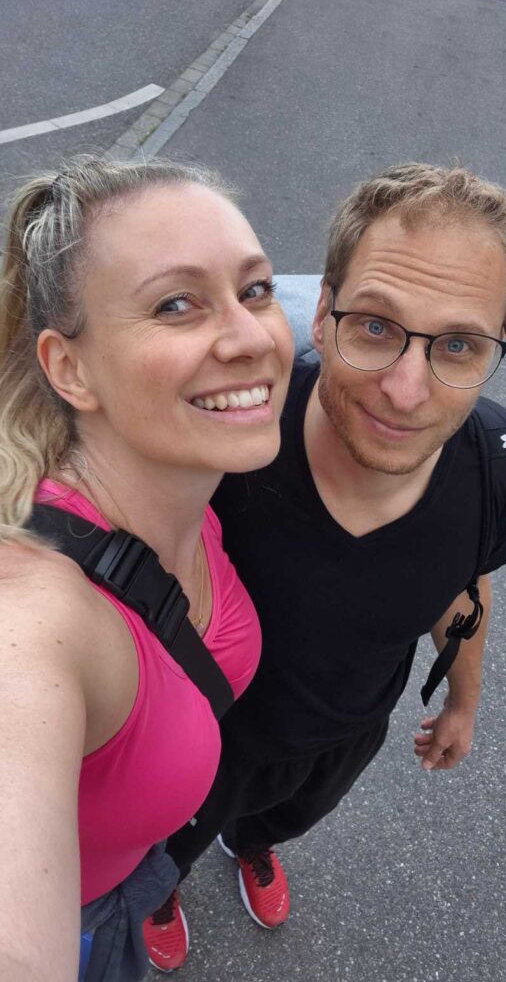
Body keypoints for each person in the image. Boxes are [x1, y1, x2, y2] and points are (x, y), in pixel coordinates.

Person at [145, 162, 506, 967]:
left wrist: (463, 703)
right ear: (323, 315)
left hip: (347, 731)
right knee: (160, 852)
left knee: (285, 817)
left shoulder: (503, 465)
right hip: (201, 737)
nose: (405, 389)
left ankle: (253, 844)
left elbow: (465, 583)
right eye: (376, 327)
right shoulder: (230, 437)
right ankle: (159, 892)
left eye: (458, 345)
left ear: (495, 347)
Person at [0, 155, 293, 982]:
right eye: (175, 303)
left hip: (138, 874)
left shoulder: (185, 473)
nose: (251, 338)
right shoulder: (35, 616)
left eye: (255, 289)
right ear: (69, 368)